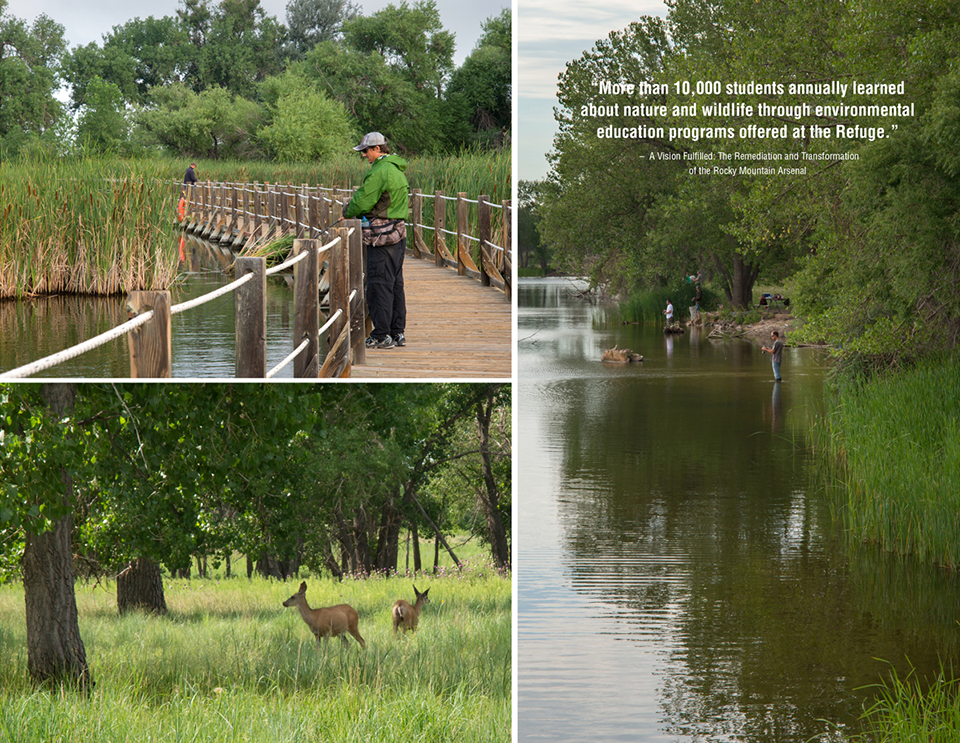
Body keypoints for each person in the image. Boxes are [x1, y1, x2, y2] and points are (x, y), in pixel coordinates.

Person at [343, 132, 409, 349]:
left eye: (366, 151)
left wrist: (347, 211)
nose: (364, 156)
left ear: (378, 149)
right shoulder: (397, 169)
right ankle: (397, 332)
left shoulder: (380, 171)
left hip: (381, 238)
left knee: (378, 284)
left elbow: (363, 200)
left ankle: (381, 335)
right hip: (398, 235)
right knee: (395, 284)